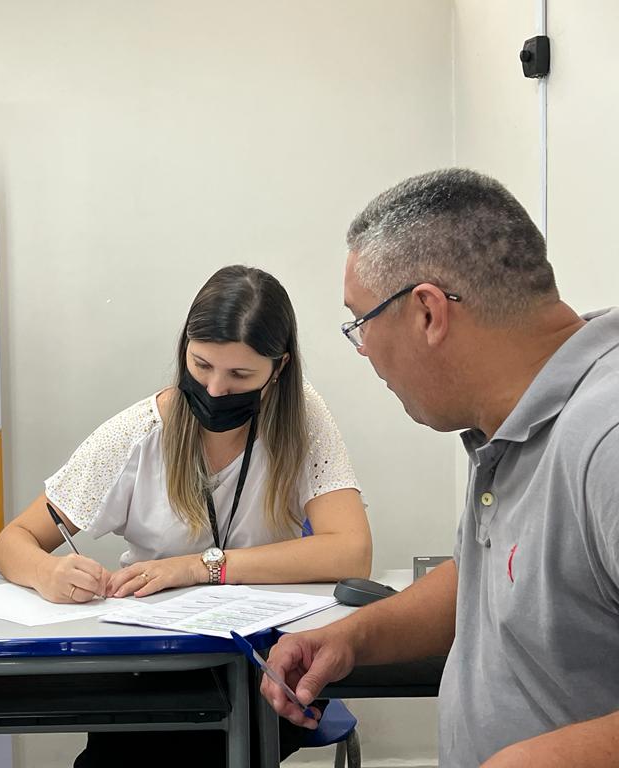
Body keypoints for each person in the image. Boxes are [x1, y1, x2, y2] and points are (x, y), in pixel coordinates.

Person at [261, 168, 619, 767]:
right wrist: (353, 637)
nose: (364, 350)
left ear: (427, 312)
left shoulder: (604, 438)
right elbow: (491, 580)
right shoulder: (512, 422)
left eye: (362, 323)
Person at [0, 264, 372, 766]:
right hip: (155, 664)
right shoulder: (136, 434)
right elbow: (12, 541)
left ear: (278, 369)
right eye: (201, 365)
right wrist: (48, 573)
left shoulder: (300, 415)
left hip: (261, 657)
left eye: (240, 376)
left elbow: (351, 551)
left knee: (222, 735)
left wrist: (199, 567)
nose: (214, 390)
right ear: (184, 350)